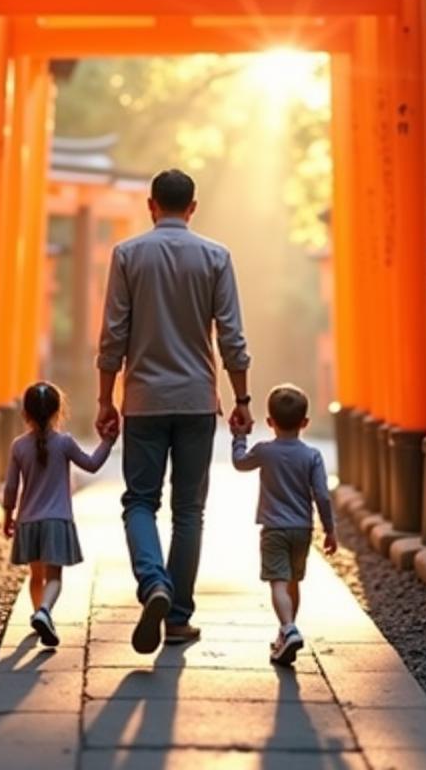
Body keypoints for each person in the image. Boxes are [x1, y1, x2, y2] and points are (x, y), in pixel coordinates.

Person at [96, 168, 253, 654]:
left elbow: (113, 337)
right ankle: (178, 616)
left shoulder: (127, 255)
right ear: (192, 207)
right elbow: (232, 336)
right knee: (189, 510)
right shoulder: (215, 256)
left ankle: (153, 584)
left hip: (143, 400)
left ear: (150, 205)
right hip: (196, 400)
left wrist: (106, 399)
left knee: (140, 502)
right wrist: (243, 399)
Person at [3, 380, 118, 647]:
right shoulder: (64, 443)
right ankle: (44, 612)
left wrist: (8, 515)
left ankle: (37, 614)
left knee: (36, 576)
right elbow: (91, 464)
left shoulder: (18, 446)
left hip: (28, 521)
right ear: (58, 412)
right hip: (57, 520)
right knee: (54, 578)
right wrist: (107, 442)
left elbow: (11, 487)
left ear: (25, 414)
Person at [230, 383, 337, 666]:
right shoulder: (312, 456)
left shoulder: (265, 451)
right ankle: (287, 631)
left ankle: (288, 628)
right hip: (303, 529)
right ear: (305, 422)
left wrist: (239, 437)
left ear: (269, 422)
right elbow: (322, 496)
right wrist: (330, 529)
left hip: (274, 528)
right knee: (293, 582)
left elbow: (239, 463)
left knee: (277, 582)